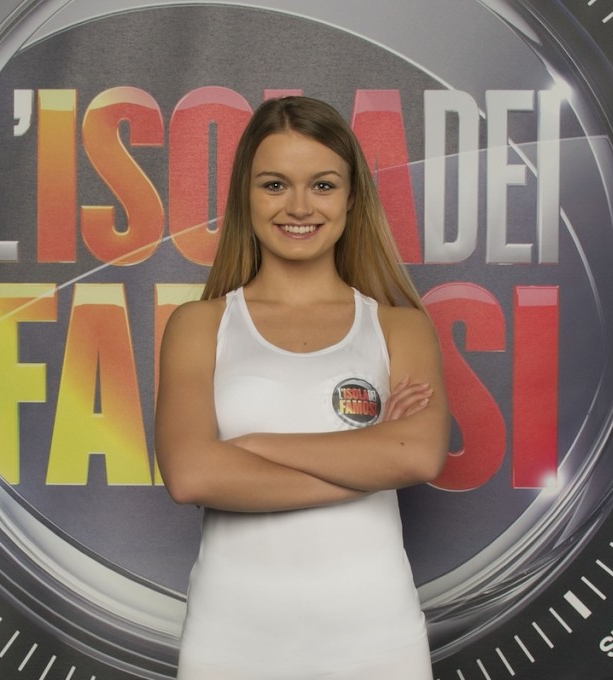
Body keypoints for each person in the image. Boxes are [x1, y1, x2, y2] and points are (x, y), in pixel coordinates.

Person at [155, 96, 450, 680]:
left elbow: (417, 456)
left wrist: (251, 447)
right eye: (274, 185)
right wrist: (369, 462)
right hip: (229, 645)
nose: (298, 206)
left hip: (380, 643)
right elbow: (191, 476)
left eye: (322, 185)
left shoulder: (401, 328)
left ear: (351, 196)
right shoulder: (199, 325)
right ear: (245, 195)